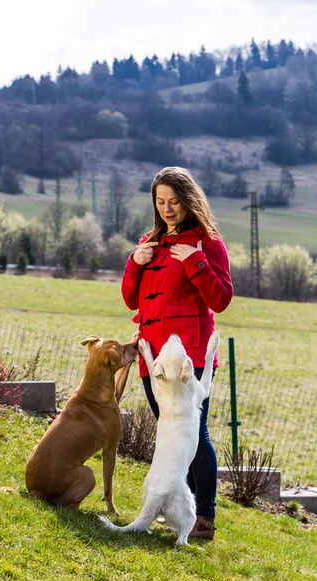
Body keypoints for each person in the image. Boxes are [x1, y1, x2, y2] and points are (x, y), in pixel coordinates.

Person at [121, 166, 233, 540]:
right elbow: (131, 299)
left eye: (174, 201)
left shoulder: (208, 242)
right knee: (170, 435)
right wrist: (133, 264)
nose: (167, 209)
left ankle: (205, 517)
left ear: (189, 200)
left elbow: (222, 299)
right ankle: (176, 509)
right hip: (153, 358)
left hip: (190, 358)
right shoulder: (148, 242)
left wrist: (195, 262)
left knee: (193, 435)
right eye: (161, 202)